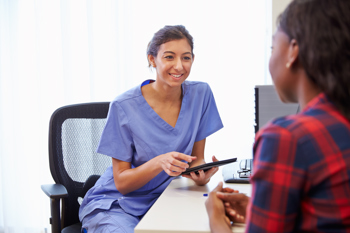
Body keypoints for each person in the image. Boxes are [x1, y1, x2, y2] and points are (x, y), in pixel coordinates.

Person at [205, 0, 350, 232]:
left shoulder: (286, 138)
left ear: (293, 51)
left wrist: (216, 220)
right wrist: (257, 208)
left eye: (273, 47)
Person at [79, 25, 223, 233]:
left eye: (186, 57)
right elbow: (122, 183)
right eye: (169, 57)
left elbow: (196, 158)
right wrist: (159, 162)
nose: (179, 66)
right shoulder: (123, 106)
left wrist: (201, 175)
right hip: (117, 204)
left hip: (166, 200)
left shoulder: (201, 94)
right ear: (152, 59)